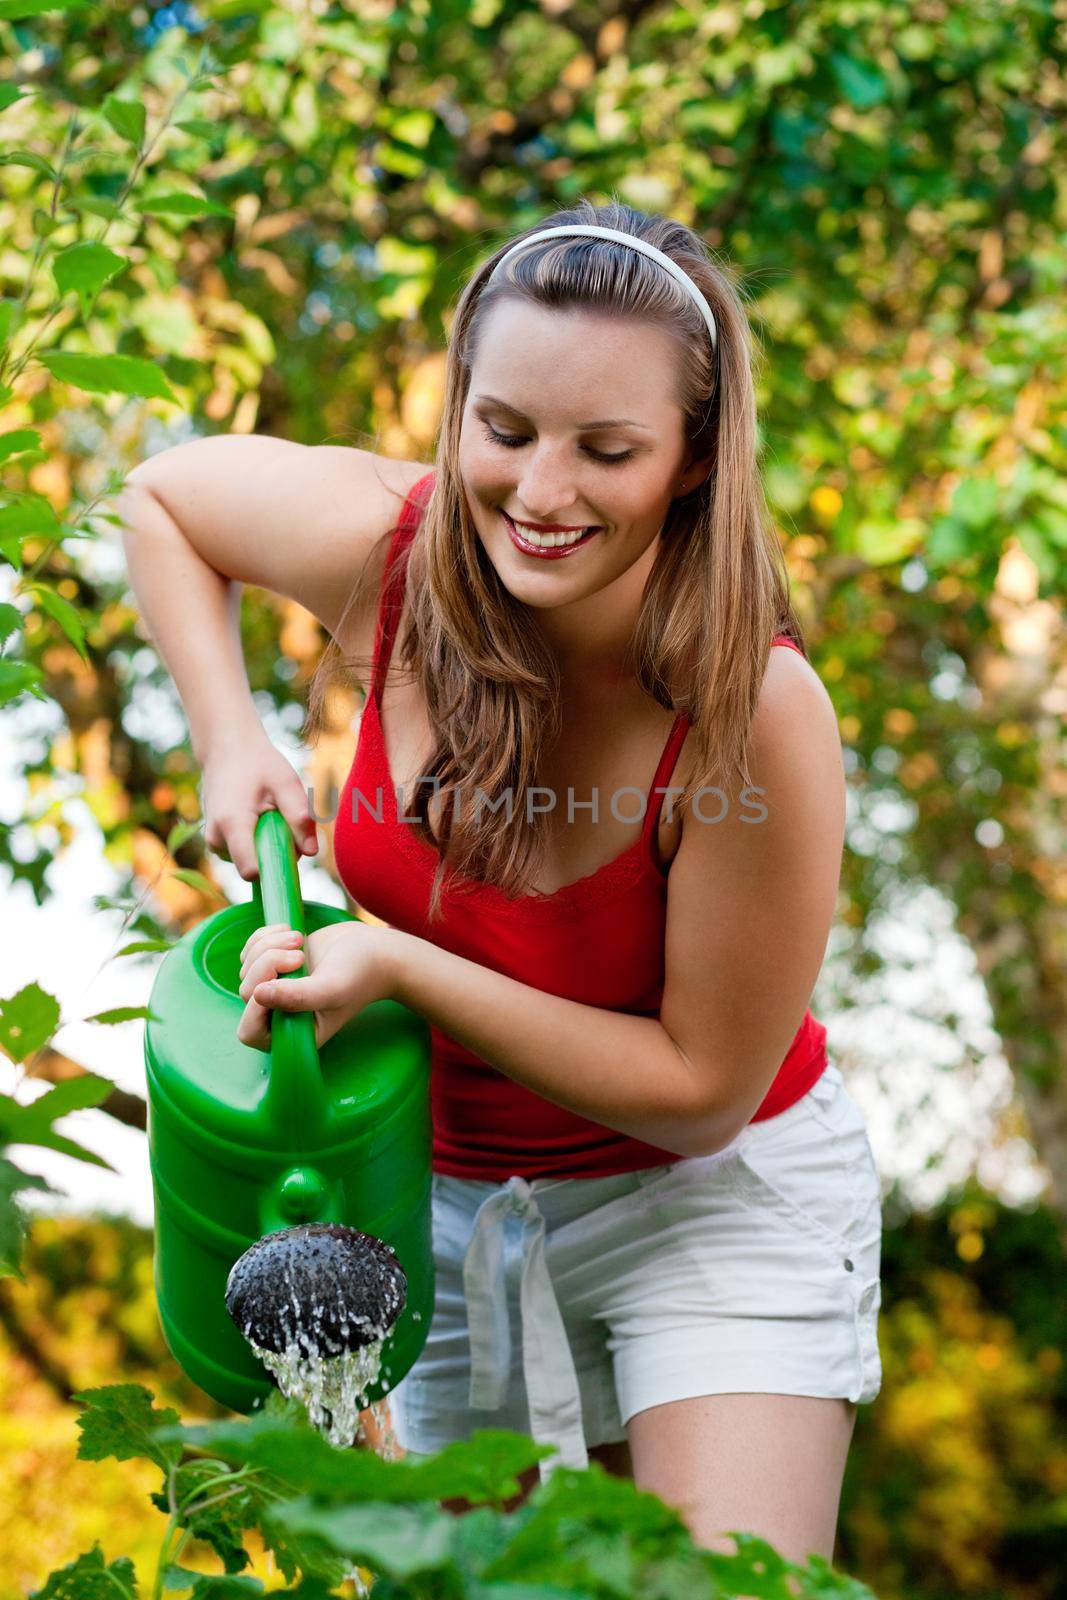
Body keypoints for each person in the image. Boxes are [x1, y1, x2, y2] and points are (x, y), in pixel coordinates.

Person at [119, 198, 882, 1568]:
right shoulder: (390, 558)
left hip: (702, 1205)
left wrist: (401, 966)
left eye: (608, 451)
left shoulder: (748, 711)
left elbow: (702, 1088)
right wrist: (231, 734)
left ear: (696, 458)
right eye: (507, 431)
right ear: (461, 405)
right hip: (453, 1210)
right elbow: (166, 499)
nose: (541, 494)